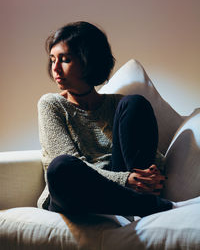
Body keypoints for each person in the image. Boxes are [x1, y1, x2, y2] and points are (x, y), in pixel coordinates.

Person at [37, 21, 200, 218]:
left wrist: (147, 176)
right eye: (52, 59)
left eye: (65, 60)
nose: (55, 69)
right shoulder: (51, 104)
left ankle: (136, 205)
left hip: (126, 189)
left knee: (135, 103)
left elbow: (150, 158)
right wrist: (125, 180)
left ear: (87, 61)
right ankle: (157, 208)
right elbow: (71, 163)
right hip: (77, 194)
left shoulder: (119, 106)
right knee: (61, 167)